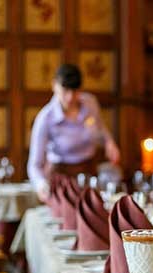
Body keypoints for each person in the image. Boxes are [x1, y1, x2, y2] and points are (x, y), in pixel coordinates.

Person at [27, 64, 120, 202]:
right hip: (61, 177)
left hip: (89, 171)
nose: (70, 98)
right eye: (65, 91)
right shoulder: (45, 118)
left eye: (75, 92)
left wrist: (109, 142)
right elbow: (34, 165)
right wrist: (41, 185)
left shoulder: (90, 103)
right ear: (54, 86)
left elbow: (100, 128)